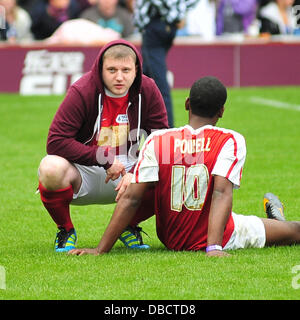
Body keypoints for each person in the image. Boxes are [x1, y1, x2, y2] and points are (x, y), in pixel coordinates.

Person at [69, 76, 300, 257]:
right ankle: (279, 220)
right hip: (222, 233)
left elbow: (131, 198)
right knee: (295, 231)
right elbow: (220, 192)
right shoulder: (229, 139)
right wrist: (214, 247)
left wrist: (100, 250)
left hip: (171, 239)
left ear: (187, 104)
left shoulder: (157, 139)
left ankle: (276, 220)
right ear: (221, 111)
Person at [37, 39, 168, 252]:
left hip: (129, 171)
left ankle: (128, 225)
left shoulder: (149, 89)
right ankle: (66, 229)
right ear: (100, 69)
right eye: (112, 70)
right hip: (85, 168)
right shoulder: (82, 89)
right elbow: (56, 141)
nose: (119, 77)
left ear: (136, 69)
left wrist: (136, 172)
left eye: (126, 70)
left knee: (170, 169)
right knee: (50, 167)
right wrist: (104, 158)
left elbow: (161, 140)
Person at [134, 0, 199, 128]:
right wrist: (179, 12)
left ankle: (168, 130)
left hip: (155, 25)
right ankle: (140, 124)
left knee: (159, 86)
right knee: (143, 80)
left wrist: (172, 13)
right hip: (167, 26)